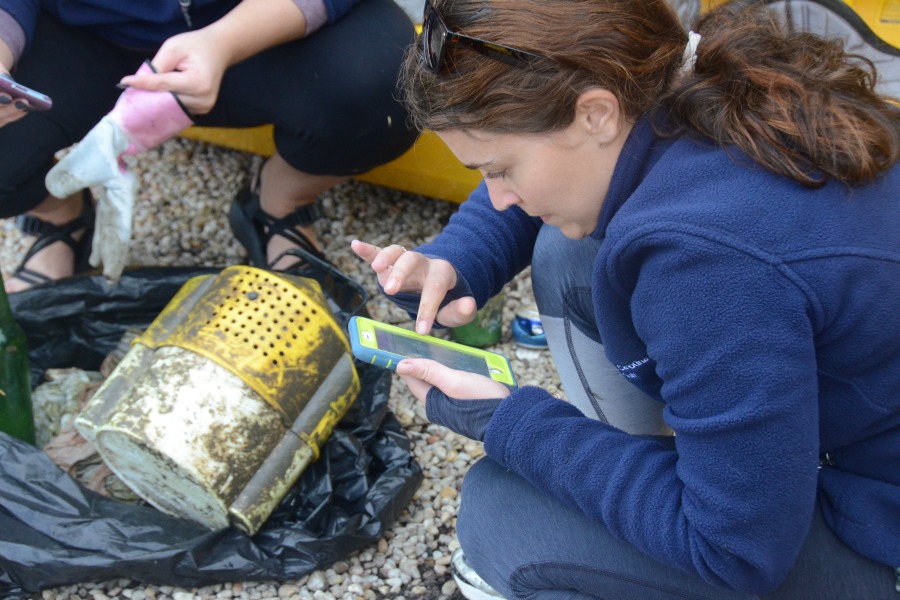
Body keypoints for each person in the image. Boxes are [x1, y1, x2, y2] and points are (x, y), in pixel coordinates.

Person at [351, 0, 900, 598]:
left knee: (503, 515)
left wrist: (510, 419)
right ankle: (691, 463)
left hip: (878, 525)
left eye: (499, 168)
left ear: (595, 113)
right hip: (863, 425)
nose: (498, 196)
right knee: (570, 253)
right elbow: (543, 162)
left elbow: (734, 552)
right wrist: (459, 257)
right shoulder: (683, 77)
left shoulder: (703, 265)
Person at [0, 0, 418, 292]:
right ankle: (59, 215)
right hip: (81, 34)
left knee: (391, 83)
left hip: (263, 29)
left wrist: (223, 41)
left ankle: (277, 203)